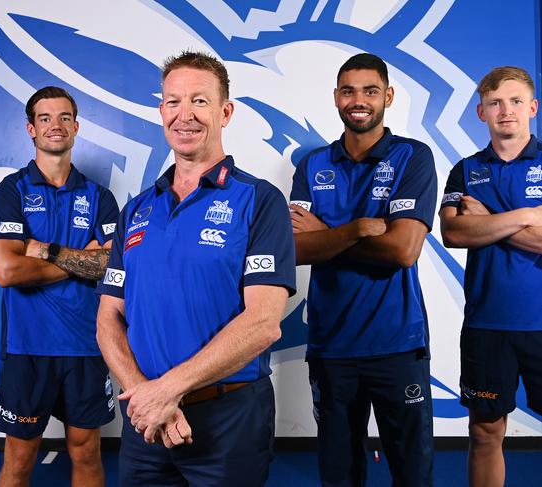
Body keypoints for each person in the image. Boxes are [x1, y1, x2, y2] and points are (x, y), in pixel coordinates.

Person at [96, 51, 296, 487]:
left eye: (199, 102)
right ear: (161, 110)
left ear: (225, 112)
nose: (184, 115)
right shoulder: (136, 210)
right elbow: (108, 319)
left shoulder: (259, 202)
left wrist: (167, 390)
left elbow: (263, 323)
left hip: (229, 418)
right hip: (145, 419)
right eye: (173, 102)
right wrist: (146, 398)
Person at [290, 53, 437, 486]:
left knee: (413, 474)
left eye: (370, 90)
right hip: (332, 348)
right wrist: (356, 230)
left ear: (387, 96)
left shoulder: (414, 157)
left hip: (397, 344)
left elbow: (403, 250)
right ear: (336, 97)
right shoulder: (312, 165)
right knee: (339, 475)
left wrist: (328, 235)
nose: (359, 100)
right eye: (349, 90)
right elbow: (295, 248)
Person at [0, 86, 119, 487]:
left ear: (76, 127)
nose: (55, 125)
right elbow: (8, 271)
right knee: (20, 458)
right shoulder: (11, 191)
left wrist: (46, 251)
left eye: (64, 117)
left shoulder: (100, 197)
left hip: (86, 346)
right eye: (45, 118)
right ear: (31, 128)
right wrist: (81, 259)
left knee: (86, 453)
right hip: (28, 348)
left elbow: (112, 265)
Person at [439, 66, 542, 487]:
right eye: (495, 102)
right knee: (485, 431)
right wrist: (523, 218)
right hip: (486, 325)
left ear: (532, 108)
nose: (506, 111)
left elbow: (476, 229)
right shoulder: (465, 171)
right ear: (481, 112)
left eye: (516, 101)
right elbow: (454, 231)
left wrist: (490, 222)